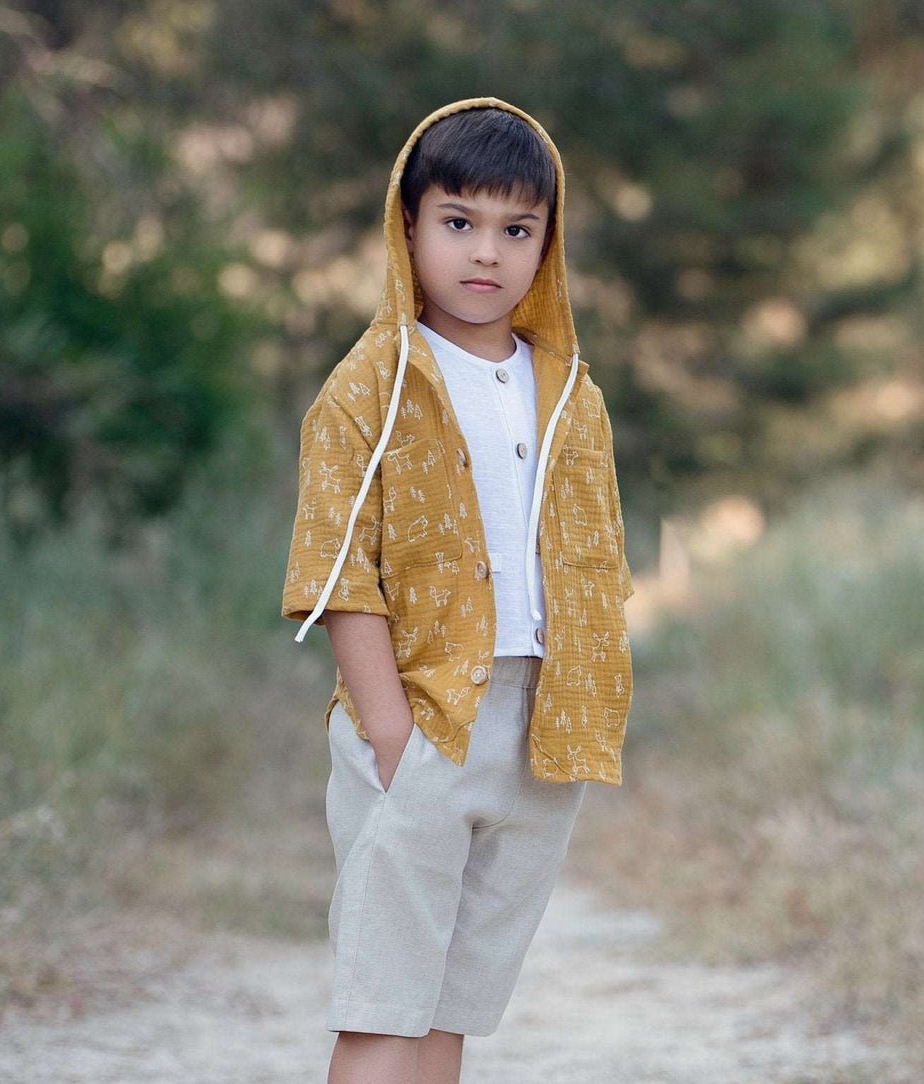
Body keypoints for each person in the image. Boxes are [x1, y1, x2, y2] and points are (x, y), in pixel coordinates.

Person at [280, 97, 635, 1084]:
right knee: (383, 1007)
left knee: (450, 1011)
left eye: (516, 229)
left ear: (546, 244)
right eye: (459, 222)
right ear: (407, 225)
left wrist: (587, 703)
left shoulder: (567, 389)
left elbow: (595, 557)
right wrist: (391, 732)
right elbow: (336, 568)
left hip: (537, 726)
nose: (487, 253)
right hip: (422, 716)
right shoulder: (371, 383)